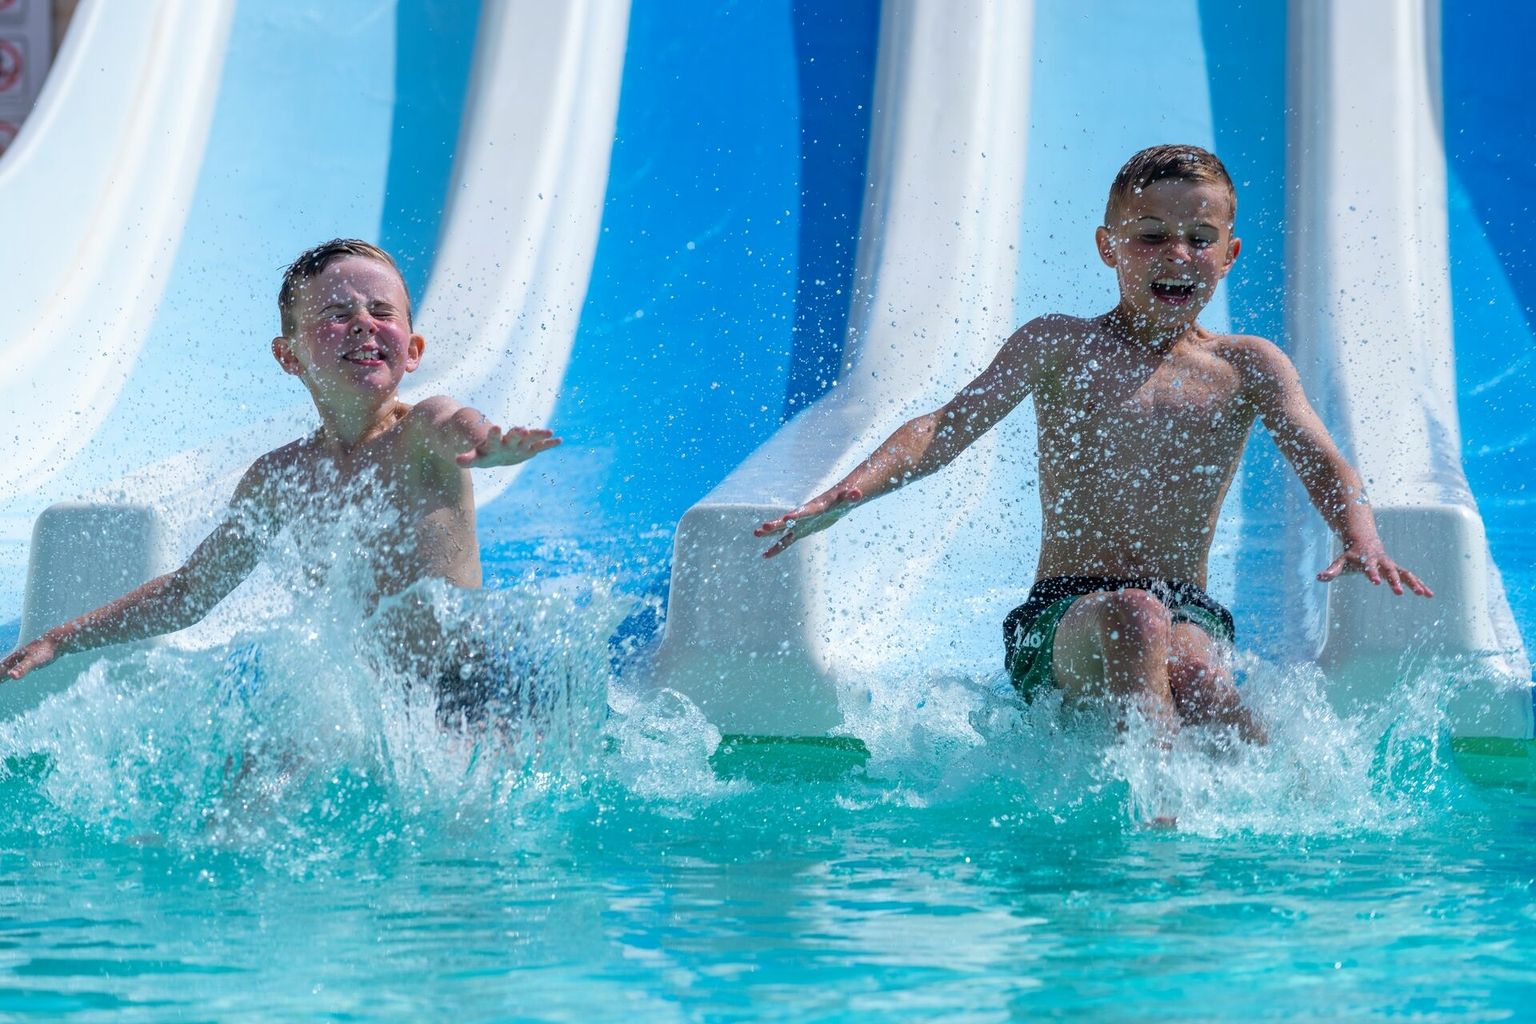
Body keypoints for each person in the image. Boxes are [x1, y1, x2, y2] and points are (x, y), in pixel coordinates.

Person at [754, 145, 1432, 744]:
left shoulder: (1247, 367)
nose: (1177, 255)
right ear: (1108, 247)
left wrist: (1358, 534)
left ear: (1230, 254)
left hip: (1187, 604)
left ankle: (1295, 823)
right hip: (1059, 615)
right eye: (1150, 237)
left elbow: (1322, 458)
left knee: (1199, 676)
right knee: (1135, 616)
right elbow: (941, 428)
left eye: (1199, 237)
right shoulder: (1059, 345)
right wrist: (855, 488)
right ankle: (1154, 826)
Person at [2, 239, 561, 716]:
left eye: (382, 312)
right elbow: (191, 592)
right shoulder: (281, 477)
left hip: (461, 689)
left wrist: (488, 445)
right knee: (248, 787)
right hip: (361, 704)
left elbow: (460, 424)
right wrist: (61, 637)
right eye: (337, 314)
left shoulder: (421, 432)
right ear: (288, 355)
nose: (364, 322)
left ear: (412, 350)